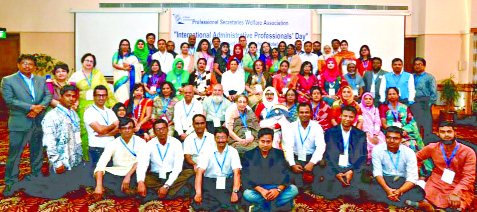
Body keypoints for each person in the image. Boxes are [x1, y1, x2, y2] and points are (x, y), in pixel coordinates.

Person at [1, 55, 52, 193]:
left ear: (34, 66)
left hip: (38, 121)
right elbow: (10, 100)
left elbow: (48, 96)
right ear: (18, 65)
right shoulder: (8, 80)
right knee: (15, 154)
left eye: (30, 64)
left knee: (37, 152)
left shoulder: (40, 80)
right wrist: (31, 107)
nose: (27, 66)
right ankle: (10, 182)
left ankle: (36, 177)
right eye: (24, 63)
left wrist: (38, 108)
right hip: (19, 123)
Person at [30, 85, 87, 198]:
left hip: (73, 160)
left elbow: (77, 137)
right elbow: (49, 141)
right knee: (56, 194)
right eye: (67, 96)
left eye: (73, 96)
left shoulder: (73, 114)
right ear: (61, 96)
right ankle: (27, 185)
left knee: (77, 192)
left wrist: (80, 156)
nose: (71, 99)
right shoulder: (52, 116)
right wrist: (56, 162)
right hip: (60, 162)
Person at [415, 122, 476, 211]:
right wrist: (418, 174)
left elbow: (469, 176)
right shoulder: (432, 147)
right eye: (443, 132)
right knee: (425, 197)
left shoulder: (468, 152)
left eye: (449, 132)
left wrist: (456, 192)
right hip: (437, 182)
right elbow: (415, 159)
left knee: (457, 206)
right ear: (438, 134)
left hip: (459, 183)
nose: (446, 135)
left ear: (455, 133)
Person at [69, 53, 117, 159]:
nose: (89, 63)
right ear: (82, 61)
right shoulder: (76, 75)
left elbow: (106, 89)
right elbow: (71, 91)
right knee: (83, 131)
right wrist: (74, 102)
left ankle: (100, 154)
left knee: (100, 126)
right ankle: (85, 156)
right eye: (87, 60)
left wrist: (112, 103)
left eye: (91, 61)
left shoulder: (98, 74)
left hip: (98, 104)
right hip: (82, 106)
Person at [370, 126, 429, 210]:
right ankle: (409, 202)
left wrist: (399, 191)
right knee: (366, 189)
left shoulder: (409, 153)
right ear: (385, 138)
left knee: (420, 193)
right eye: (388, 138)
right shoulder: (377, 150)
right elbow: (377, 172)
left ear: (401, 140)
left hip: (402, 182)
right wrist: (387, 190)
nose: (391, 141)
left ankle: (392, 199)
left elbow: (412, 178)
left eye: (395, 138)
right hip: (385, 181)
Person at [242, 128, 299, 211]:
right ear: (258, 141)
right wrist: (261, 190)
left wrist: (278, 190)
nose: (265, 145)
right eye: (263, 141)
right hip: (259, 190)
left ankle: (261, 207)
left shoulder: (279, 154)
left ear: (272, 141)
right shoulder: (249, 155)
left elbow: (286, 174)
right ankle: (278, 205)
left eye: (268, 142)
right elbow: (246, 177)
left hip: (275, 187)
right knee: (247, 194)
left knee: (294, 190)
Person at [379, 87, 432, 175]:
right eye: (389, 94)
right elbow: (384, 124)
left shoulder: (404, 107)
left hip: (405, 132)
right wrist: (396, 131)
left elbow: (412, 122)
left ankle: (417, 172)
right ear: (387, 96)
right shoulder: (383, 107)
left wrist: (403, 130)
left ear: (398, 95)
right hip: (390, 132)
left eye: (394, 94)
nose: (392, 96)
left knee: (412, 145)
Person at [320, 106, 367, 200]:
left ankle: (346, 185)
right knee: (329, 195)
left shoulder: (360, 134)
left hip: (352, 168)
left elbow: (363, 157)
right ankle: (341, 185)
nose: (347, 119)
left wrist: (351, 171)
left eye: (350, 117)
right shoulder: (330, 132)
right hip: (335, 168)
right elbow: (327, 156)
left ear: (355, 118)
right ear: (340, 116)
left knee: (358, 196)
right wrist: (337, 172)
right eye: (345, 116)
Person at [93, 118, 146, 198]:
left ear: (133, 129)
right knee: (95, 175)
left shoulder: (141, 142)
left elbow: (141, 161)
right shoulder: (113, 143)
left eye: (129, 128)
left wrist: (128, 176)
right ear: (119, 130)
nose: (127, 130)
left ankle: (117, 191)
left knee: (143, 177)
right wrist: (99, 186)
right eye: (124, 128)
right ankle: (125, 191)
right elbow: (101, 163)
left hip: (133, 173)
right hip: (117, 172)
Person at [193, 127, 242, 212]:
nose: (221, 140)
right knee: (204, 197)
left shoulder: (233, 151)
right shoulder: (207, 151)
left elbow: (237, 173)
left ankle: (218, 203)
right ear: (214, 138)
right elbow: (199, 172)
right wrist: (198, 193)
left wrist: (235, 192)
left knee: (235, 195)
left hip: (226, 181)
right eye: (218, 137)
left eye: (223, 137)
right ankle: (222, 203)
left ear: (228, 138)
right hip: (210, 181)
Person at [283, 103, 326, 192]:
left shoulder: (317, 127)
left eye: (307, 112)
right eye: (301, 112)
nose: (304, 115)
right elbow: (288, 147)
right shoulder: (291, 127)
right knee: (298, 186)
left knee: (317, 188)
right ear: (298, 113)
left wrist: (311, 163)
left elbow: (320, 147)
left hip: (311, 157)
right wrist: (293, 164)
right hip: (297, 158)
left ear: (311, 113)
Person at [136, 119, 184, 199]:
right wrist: (140, 182)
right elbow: (142, 164)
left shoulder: (176, 143)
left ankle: (158, 192)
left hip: (171, 175)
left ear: (167, 129)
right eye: (158, 129)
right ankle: (170, 193)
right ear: (154, 132)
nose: (161, 131)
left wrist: (166, 185)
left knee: (189, 173)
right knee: (138, 179)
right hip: (156, 177)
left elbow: (177, 168)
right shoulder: (149, 145)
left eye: (163, 129)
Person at [177, 114, 216, 197]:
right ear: (193, 125)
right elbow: (187, 156)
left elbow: (215, 155)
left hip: (209, 166)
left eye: (202, 123)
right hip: (194, 166)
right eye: (197, 124)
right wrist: (194, 164)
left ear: (205, 124)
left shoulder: (212, 137)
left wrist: (205, 166)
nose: (199, 126)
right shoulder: (189, 139)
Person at [84, 85, 119, 170]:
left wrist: (106, 133)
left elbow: (118, 128)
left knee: (110, 176)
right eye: (98, 95)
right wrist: (112, 126)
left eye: (103, 95)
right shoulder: (89, 112)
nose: (101, 98)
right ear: (94, 97)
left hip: (111, 147)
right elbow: (100, 129)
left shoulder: (110, 111)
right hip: (97, 148)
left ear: (107, 97)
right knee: (97, 174)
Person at [410, 57, 437, 142]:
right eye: (415, 64)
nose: (417, 66)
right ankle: (416, 144)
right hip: (414, 102)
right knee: (415, 124)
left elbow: (433, 92)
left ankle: (427, 143)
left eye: (420, 64)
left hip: (425, 102)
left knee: (426, 125)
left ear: (424, 66)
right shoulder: (411, 77)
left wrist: (430, 104)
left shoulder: (429, 77)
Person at [359, 92, 385, 163]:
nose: (368, 100)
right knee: (367, 143)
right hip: (363, 131)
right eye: (366, 99)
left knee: (381, 142)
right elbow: (361, 122)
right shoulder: (359, 108)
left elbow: (377, 122)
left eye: (370, 99)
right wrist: (367, 134)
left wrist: (375, 135)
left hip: (375, 131)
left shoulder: (375, 109)